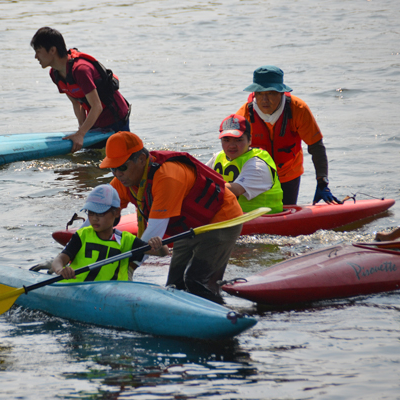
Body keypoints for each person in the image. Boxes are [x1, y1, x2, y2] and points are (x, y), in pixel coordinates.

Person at [100, 131, 244, 302]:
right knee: (175, 285)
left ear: (140, 160)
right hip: (187, 226)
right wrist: (74, 255)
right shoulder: (123, 180)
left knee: (198, 282)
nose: (117, 173)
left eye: (122, 167)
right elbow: (98, 213)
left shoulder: (167, 177)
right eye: (112, 168)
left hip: (221, 219)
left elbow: (154, 232)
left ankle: (226, 317)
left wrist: (128, 266)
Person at [235, 65, 340, 205]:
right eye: (259, 93)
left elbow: (316, 146)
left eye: (271, 93)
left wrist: (322, 182)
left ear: (281, 92)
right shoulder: (243, 115)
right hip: (255, 177)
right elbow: (233, 152)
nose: (264, 99)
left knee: (285, 212)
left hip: (289, 175)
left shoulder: (298, 109)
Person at [30, 27, 131, 153]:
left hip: (116, 119)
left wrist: (81, 134)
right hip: (95, 122)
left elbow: (97, 106)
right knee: (90, 159)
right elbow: (76, 103)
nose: (35, 56)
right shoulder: (55, 74)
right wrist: (82, 130)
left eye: (38, 51)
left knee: (123, 160)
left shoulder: (81, 70)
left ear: (52, 50)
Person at [51, 184, 169, 282]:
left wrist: (159, 244)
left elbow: (162, 253)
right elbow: (59, 259)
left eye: (100, 213)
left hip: (110, 296)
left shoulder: (126, 240)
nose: (94, 218)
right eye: (91, 213)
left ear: (116, 212)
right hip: (75, 289)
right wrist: (61, 270)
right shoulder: (82, 235)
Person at [206, 114, 284, 214]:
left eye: (238, 140)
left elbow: (236, 190)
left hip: (262, 219)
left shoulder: (257, 164)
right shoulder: (218, 157)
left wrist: (203, 185)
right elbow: (198, 174)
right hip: (232, 217)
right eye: (226, 140)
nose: (232, 145)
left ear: (250, 140)